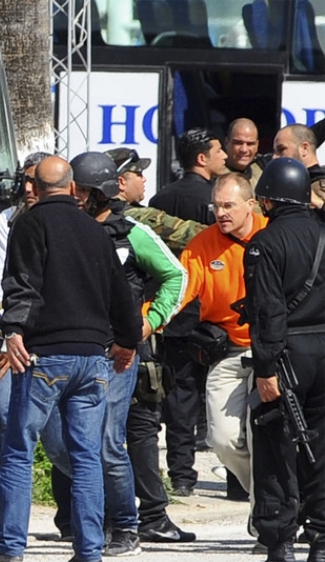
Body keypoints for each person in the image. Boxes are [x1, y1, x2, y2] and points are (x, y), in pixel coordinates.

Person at [0, 155, 141, 562]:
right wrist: (127, 341)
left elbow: (23, 283)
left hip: (45, 356)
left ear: (38, 189)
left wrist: (14, 331)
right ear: (74, 187)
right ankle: (90, 550)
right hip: (93, 360)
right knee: (86, 457)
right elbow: (122, 294)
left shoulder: (30, 222)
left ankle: (9, 546)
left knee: (17, 451)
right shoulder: (96, 231)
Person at [63, 151, 190, 554]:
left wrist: (150, 322)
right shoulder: (67, 229)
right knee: (63, 444)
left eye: (81, 189)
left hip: (118, 354)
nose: (75, 196)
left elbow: (175, 274)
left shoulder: (132, 232)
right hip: (71, 351)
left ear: (99, 192)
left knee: (106, 443)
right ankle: (91, 520)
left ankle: (125, 527)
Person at [243, 157, 325, 562]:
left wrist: (265, 367)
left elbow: (267, 311)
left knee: (276, 446)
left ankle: (280, 539)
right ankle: (323, 538)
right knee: (321, 446)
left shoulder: (265, 243)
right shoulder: (323, 234)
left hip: (287, 353)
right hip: (324, 349)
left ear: (269, 201)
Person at [179, 173, 267, 504]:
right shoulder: (202, 245)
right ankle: (270, 495)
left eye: (228, 206)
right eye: (216, 206)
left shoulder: (272, 233)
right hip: (228, 352)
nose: (221, 213)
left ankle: (266, 516)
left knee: (264, 438)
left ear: (250, 205)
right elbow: (179, 294)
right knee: (222, 440)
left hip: (271, 351)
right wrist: (145, 320)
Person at [150, 128, 225, 498]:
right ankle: (237, 480)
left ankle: (182, 475)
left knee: (180, 398)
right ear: (202, 158)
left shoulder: (159, 197)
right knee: (226, 400)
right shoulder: (217, 200)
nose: (225, 155)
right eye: (218, 150)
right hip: (214, 311)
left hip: (174, 312)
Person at [0, 151, 48, 530]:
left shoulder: (70, 220)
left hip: (55, 339)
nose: (27, 189)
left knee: (62, 431)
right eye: (23, 182)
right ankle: (7, 500)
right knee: (3, 408)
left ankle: (77, 507)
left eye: (34, 181)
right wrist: (9, 334)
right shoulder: (8, 222)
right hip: (14, 336)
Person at [106, 146, 206, 254]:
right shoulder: (140, 218)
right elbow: (188, 233)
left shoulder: (92, 214)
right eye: (139, 174)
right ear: (121, 182)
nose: (144, 179)